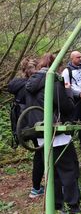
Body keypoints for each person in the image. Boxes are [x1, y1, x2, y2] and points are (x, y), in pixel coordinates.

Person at [25, 53, 81, 213]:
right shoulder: (53, 81)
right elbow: (67, 107)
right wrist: (69, 91)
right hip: (58, 136)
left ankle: (57, 205)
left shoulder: (31, 81)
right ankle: (73, 206)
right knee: (69, 170)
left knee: (53, 171)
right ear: (54, 66)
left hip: (41, 136)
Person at [8, 58, 44, 198]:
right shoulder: (31, 85)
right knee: (41, 153)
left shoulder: (18, 84)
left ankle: (36, 187)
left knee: (40, 152)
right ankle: (36, 189)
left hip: (24, 125)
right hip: (34, 123)